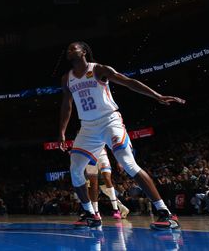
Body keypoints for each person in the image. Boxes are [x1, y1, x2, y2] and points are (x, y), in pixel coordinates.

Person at [58, 42, 184, 230]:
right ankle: (90, 214)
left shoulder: (99, 69)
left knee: (127, 163)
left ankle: (165, 212)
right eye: (68, 49)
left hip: (110, 121)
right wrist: (62, 131)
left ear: (84, 51)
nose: (69, 50)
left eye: (73, 47)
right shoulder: (67, 79)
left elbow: (128, 82)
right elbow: (67, 105)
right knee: (75, 169)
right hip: (88, 127)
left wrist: (157, 95)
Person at [84, 147, 129, 219]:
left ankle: (115, 209)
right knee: (103, 189)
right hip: (89, 159)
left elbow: (112, 145)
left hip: (100, 157)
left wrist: (118, 161)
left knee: (103, 186)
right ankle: (121, 207)